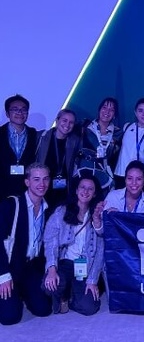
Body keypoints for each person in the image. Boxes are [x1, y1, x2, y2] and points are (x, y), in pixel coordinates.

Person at [42, 174, 104, 316]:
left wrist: (93, 280)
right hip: (66, 263)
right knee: (50, 286)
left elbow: (100, 250)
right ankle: (63, 291)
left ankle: (70, 297)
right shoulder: (61, 212)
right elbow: (50, 241)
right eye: (82, 187)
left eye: (90, 189)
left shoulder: (97, 215)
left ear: (94, 194)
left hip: (85, 266)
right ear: (76, 190)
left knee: (89, 308)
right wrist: (51, 269)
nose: (85, 191)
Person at [0, 163, 52, 325]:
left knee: (44, 310)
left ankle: (21, 291)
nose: (41, 184)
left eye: (45, 179)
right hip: (10, 267)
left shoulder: (49, 208)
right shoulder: (11, 205)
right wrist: (3, 275)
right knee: (10, 317)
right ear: (27, 182)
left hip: (31, 267)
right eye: (36, 179)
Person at [75, 97, 122, 194]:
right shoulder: (84, 126)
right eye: (104, 107)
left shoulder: (118, 133)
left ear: (114, 115)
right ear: (99, 109)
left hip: (103, 175)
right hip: (84, 171)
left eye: (111, 110)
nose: (107, 112)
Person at [36, 109, 80, 209]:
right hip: (42, 187)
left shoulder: (75, 141)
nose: (67, 125)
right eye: (64, 120)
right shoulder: (41, 137)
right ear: (57, 120)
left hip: (62, 190)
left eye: (71, 122)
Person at [0, 94, 38, 201]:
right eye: (15, 109)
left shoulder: (35, 135)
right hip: (2, 189)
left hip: (27, 191)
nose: (20, 113)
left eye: (24, 110)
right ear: (7, 113)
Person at [114, 98, 144, 189]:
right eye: (140, 111)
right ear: (135, 113)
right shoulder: (127, 127)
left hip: (141, 177)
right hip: (121, 174)